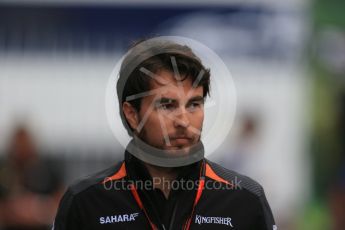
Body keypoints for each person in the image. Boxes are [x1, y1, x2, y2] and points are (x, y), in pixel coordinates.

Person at [53, 38, 276, 230]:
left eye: (193, 104)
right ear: (132, 114)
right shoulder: (85, 201)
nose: (183, 121)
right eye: (167, 106)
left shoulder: (245, 200)